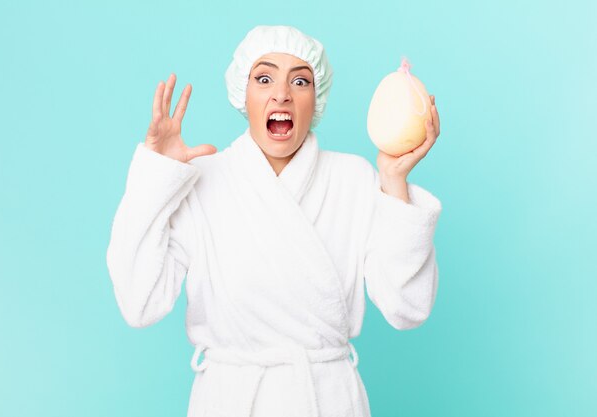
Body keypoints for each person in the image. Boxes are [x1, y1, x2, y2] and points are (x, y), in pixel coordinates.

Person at [106, 25, 442, 417]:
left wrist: (394, 182)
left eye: (300, 81)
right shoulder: (201, 178)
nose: (281, 93)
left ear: (315, 101)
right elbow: (139, 304)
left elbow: (408, 308)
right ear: (242, 95)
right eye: (264, 78)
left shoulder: (353, 179)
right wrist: (156, 178)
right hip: (231, 401)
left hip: (326, 399)